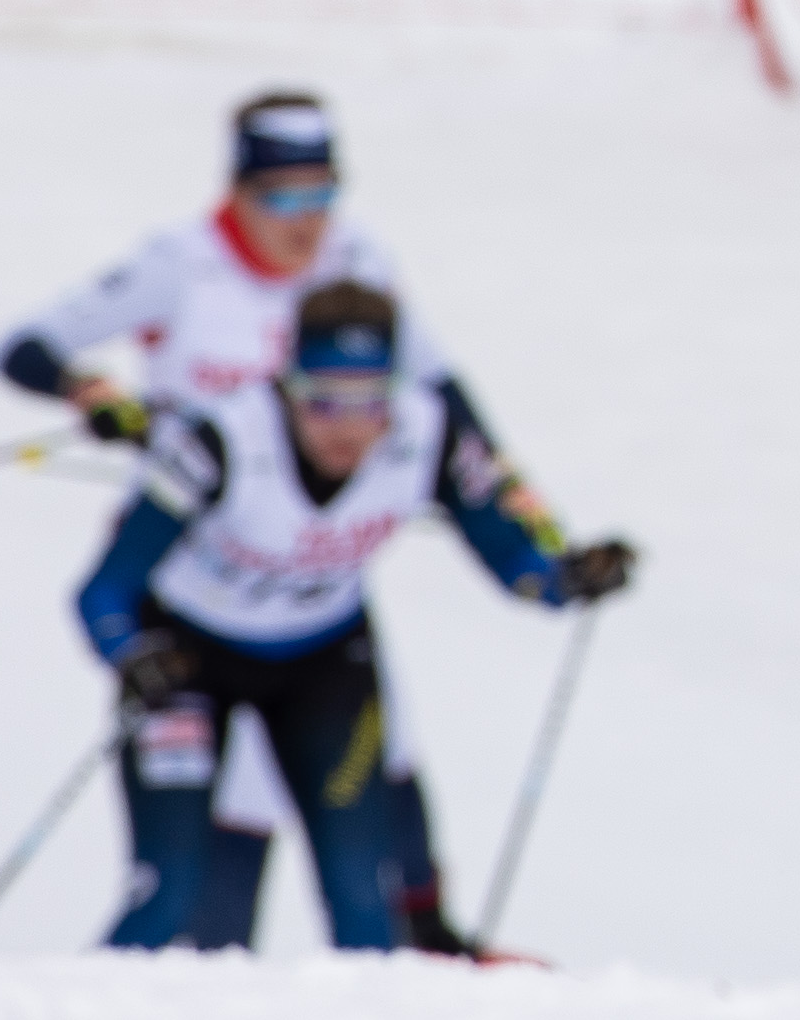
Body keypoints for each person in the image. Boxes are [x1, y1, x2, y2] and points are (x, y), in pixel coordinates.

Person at [0, 92, 503, 951]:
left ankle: (430, 943)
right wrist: (93, 393)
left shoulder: (359, 261)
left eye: (322, 192)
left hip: (314, 581)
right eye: (282, 196)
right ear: (237, 190)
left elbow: (449, 407)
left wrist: (531, 526)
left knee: (379, 770)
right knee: (204, 851)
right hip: (197, 565)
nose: (306, 220)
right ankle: (195, 975)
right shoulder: (178, 264)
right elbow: (26, 347)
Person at [76, 281, 632, 952]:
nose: (347, 427)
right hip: (189, 662)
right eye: (324, 400)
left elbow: (512, 557)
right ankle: (71, 1017)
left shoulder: (426, 433)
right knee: (169, 896)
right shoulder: (221, 439)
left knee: (365, 900)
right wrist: (129, 652)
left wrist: (570, 578)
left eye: (371, 402)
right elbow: (103, 589)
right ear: (288, 385)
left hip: (323, 665)